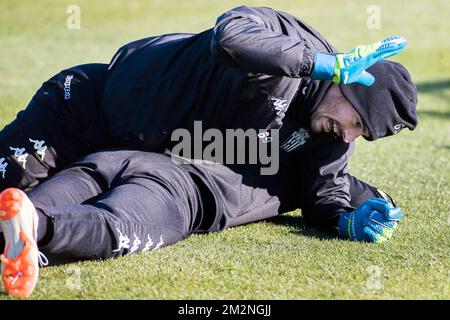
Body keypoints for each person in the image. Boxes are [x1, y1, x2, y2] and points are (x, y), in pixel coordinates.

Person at [0, 6, 417, 298]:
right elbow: (231, 37)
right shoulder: (296, 47)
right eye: (356, 123)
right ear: (347, 85)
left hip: (130, 157)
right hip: (80, 113)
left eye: (361, 135)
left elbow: (323, 190)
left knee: (14, 222)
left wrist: (346, 217)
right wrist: (320, 63)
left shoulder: (325, 133)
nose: (349, 137)